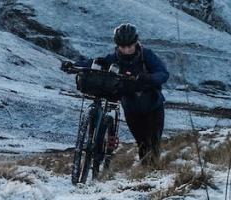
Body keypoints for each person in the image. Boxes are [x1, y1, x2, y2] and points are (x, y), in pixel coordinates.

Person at [61, 23, 169, 167]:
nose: (126, 50)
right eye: (122, 47)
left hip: (153, 106)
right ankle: (148, 172)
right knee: (142, 143)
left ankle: (152, 174)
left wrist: (148, 78)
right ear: (117, 45)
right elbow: (95, 63)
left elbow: (163, 73)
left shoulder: (147, 55)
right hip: (132, 109)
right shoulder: (114, 58)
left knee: (153, 143)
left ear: (136, 42)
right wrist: (73, 65)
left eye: (130, 46)